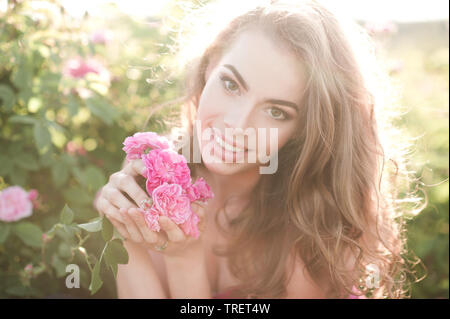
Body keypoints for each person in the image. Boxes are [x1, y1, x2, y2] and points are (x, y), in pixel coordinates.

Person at [94, 0, 424, 299]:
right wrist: (123, 229)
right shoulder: (152, 176)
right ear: (210, 64)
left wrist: (184, 258)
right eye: (231, 84)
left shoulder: (309, 225)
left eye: (276, 112)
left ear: (305, 129)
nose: (237, 125)